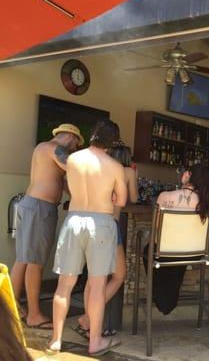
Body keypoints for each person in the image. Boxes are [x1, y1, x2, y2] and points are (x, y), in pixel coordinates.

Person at [48, 120, 127, 356]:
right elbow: (121, 201)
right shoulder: (114, 166)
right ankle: (95, 342)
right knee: (97, 284)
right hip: (101, 223)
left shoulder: (73, 159)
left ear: (92, 135)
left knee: (64, 285)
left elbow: (68, 185)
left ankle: (55, 340)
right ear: (112, 142)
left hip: (73, 220)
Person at [10, 123, 82, 330]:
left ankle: (11, 309)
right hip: (40, 208)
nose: (75, 149)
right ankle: (34, 315)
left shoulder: (43, 149)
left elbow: (62, 182)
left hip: (32, 205)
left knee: (24, 259)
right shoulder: (53, 149)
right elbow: (76, 168)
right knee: (34, 262)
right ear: (70, 136)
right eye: (76, 144)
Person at [147, 164, 209, 315]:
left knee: (150, 249)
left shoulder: (165, 196)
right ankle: (166, 299)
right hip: (194, 254)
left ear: (188, 175)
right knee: (178, 259)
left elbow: (157, 227)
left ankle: (163, 298)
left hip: (164, 254)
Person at [74, 144, 138, 338]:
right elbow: (133, 198)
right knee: (119, 275)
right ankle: (88, 319)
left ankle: (89, 323)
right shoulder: (125, 171)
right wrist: (134, 175)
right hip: (110, 225)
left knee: (93, 279)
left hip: (88, 222)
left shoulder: (100, 169)